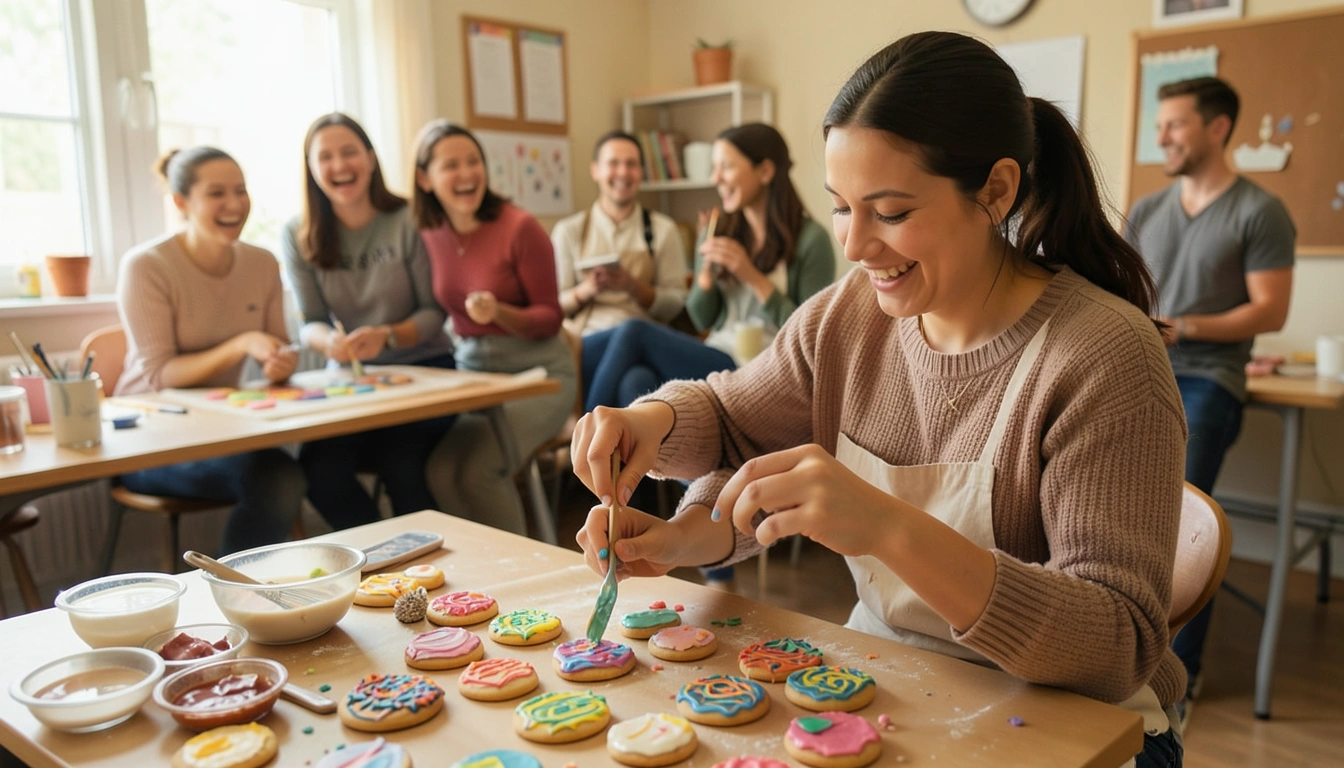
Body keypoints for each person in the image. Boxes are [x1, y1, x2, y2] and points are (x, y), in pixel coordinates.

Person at [573, 32, 1188, 767]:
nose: (857, 245)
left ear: (995, 191)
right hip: (894, 687)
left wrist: (889, 529)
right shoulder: (849, 316)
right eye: (840, 208)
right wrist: (658, 429)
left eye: (890, 212)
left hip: (1085, 730)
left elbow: (1117, 644)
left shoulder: (1104, 354)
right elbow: (738, 424)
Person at [1125, 76, 1295, 724]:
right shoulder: (1147, 210)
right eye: (1160, 124)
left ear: (1218, 128)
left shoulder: (1260, 211)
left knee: (1179, 519)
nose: (1162, 136)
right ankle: (1114, 649)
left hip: (1208, 375)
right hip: (1141, 363)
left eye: (1174, 124)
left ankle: (1176, 678)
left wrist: (1186, 327)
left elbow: (1270, 310)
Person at [117, 146, 305, 555]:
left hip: (221, 431)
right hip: (146, 443)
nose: (235, 204)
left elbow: (277, 355)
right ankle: (232, 597)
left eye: (241, 190)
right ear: (182, 202)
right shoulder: (146, 266)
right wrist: (240, 344)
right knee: (276, 479)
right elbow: (159, 375)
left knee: (288, 474)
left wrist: (279, 362)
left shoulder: (262, 263)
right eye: (217, 193)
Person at [280, 113, 457, 531]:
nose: (340, 166)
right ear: (311, 168)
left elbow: (435, 312)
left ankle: (435, 572)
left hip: (426, 373)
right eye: (326, 157)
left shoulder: (409, 218)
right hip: (354, 384)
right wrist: (328, 344)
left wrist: (389, 335)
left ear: (371, 159)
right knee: (318, 469)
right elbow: (311, 322)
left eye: (349, 153)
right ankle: (385, 562)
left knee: (402, 465)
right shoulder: (297, 233)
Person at [582, 122, 834, 413]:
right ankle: (624, 456)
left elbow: (812, 336)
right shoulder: (718, 230)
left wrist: (751, 276)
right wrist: (705, 277)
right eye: (714, 168)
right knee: (636, 380)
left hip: (765, 367)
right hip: (718, 355)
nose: (715, 179)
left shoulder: (811, 240)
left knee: (633, 332)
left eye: (726, 167)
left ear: (765, 171)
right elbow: (702, 319)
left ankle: (581, 448)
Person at [412, 120, 577, 536]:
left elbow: (550, 317)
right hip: (476, 376)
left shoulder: (519, 227)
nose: (467, 173)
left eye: (474, 161)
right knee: (440, 470)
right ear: (424, 178)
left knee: (481, 469)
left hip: (539, 376)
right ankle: (477, 581)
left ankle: (521, 579)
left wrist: (499, 312)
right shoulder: (426, 234)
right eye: (451, 165)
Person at [551, 130, 689, 337]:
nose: (623, 172)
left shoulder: (664, 230)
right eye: (613, 163)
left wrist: (633, 287)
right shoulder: (569, 231)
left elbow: (676, 304)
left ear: (641, 172)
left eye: (631, 164)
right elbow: (553, 307)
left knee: (632, 336)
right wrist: (587, 289)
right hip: (588, 340)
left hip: (646, 338)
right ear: (595, 170)